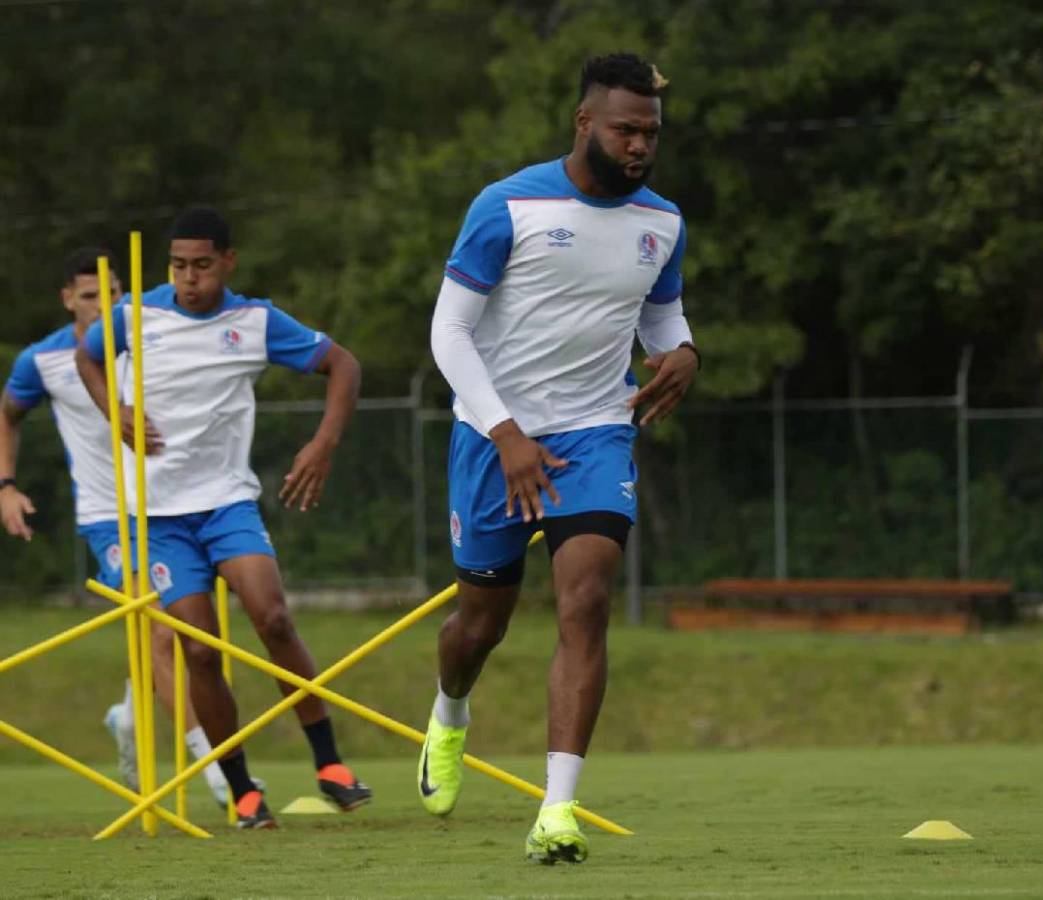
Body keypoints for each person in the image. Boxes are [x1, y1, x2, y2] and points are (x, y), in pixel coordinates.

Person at [421, 52, 699, 864]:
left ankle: (557, 810)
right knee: (480, 626)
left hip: (594, 430)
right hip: (491, 436)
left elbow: (661, 321)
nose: (641, 144)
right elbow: (449, 334)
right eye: (626, 129)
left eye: (651, 132)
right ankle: (449, 713)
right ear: (585, 123)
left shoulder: (664, 222)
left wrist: (683, 353)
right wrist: (506, 434)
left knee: (586, 600)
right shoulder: (506, 205)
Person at [75, 207, 371, 829]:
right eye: (179, 266)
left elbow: (344, 365)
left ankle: (331, 765)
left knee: (274, 617)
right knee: (200, 651)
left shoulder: (256, 321)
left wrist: (323, 444)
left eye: (203, 265)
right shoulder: (135, 315)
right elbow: (88, 356)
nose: (189, 279)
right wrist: (116, 410)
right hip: (158, 519)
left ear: (228, 262)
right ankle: (242, 791)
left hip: (227, 503)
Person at [0, 247, 236, 805]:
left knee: (201, 637)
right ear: (67, 300)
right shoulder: (44, 361)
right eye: (89, 298)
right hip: (110, 519)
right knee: (159, 628)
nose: (102, 307)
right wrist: (5, 487)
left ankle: (132, 714)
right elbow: (7, 414)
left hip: (176, 507)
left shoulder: (152, 336)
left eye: (112, 296)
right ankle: (218, 768)